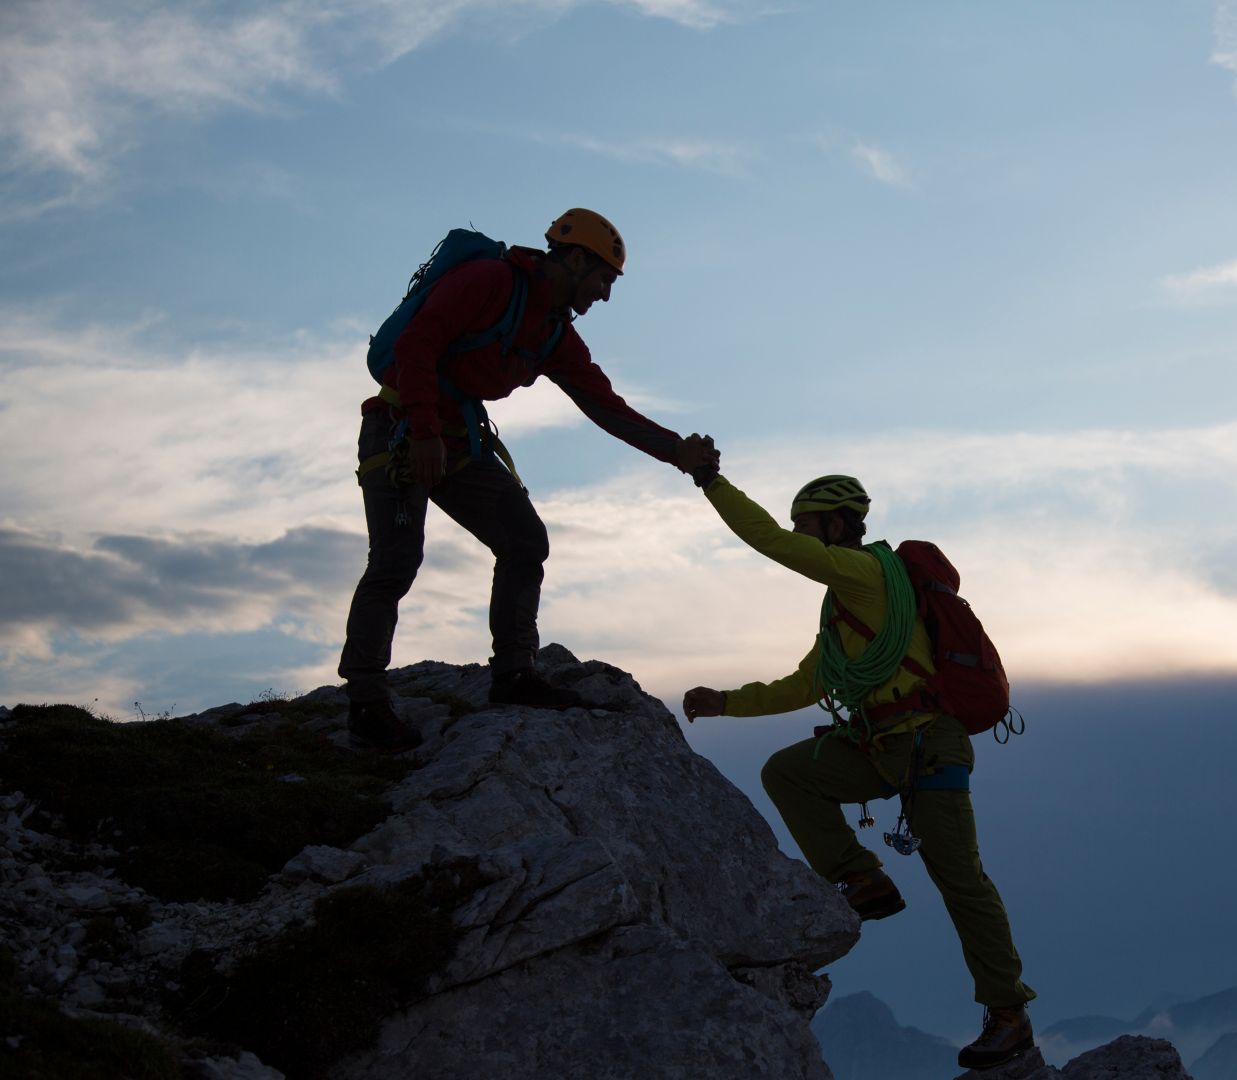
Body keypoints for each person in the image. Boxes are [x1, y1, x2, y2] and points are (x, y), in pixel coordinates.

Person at [681, 471, 1038, 1071]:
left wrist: (710, 482)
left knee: (961, 882)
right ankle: (862, 877)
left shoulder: (867, 574)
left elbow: (771, 542)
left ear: (837, 526)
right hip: (880, 745)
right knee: (788, 772)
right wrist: (728, 701)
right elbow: (809, 682)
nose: (802, 537)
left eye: (809, 527)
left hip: (930, 745)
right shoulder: (842, 608)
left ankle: (1009, 1014)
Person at [340, 208, 716, 751]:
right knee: (396, 559)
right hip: (399, 428)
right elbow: (416, 344)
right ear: (577, 258)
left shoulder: (552, 332)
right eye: (604, 279)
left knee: (525, 539)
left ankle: (515, 676)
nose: (605, 295)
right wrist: (422, 431)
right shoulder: (490, 281)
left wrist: (678, 452)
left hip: (456, 441)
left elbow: (606, 407)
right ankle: (366, 703)